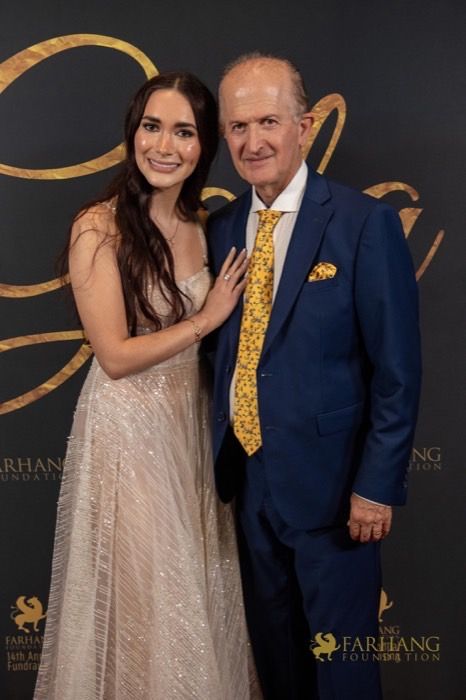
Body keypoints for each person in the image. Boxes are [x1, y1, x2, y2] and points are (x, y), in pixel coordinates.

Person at [33, 72, 260, 700]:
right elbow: (113, 355)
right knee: (147, 597)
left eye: (183, 132)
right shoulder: (98, 226)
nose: (163, 146)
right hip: (128, 429)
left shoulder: (206, 226)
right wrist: (207, 318)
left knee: (198, 588)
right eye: (151, 127)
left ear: (204, 144)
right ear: (133, 133)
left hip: (193, 424)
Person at [207, 53, 422, 700]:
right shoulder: (220, 229)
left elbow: (397, 371)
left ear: (303, 126)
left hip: (335, 494)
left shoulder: (364, 223)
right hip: (248, 486)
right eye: (238, 126)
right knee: (278, 667)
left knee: (343, 673)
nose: (253, 141)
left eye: (268, 122)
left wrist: (376, 488)